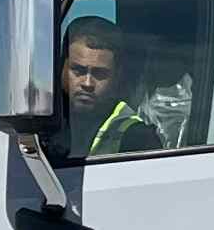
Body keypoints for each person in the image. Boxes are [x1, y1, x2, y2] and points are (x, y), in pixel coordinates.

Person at [61, 15, 160, 159]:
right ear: (61, 67)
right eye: (78, 70)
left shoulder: (137, 138)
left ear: (117, 77)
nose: (87, 83)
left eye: (99, 74)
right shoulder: (39, 122)